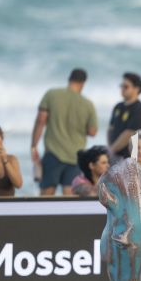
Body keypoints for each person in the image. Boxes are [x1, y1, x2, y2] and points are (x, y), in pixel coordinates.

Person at [30, 68, 98, 196]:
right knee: (69, 196)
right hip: (76, 156)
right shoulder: (88, 104)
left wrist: (33, 146)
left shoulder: (52, 94)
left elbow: (40, 121)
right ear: (83, 83)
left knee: (46, 194)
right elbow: (92, 132)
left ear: (69, 79)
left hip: (53, 154)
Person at [108, 72, 141, 161]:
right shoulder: (118, 106)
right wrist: (110, 148)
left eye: (126, 87)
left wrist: (111, 150)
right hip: (114, 154)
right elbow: (111, 128)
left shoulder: (139, 109)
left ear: (136, 89)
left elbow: (129, 134)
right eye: (121, 86)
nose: (122, 89)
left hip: (130, 158)